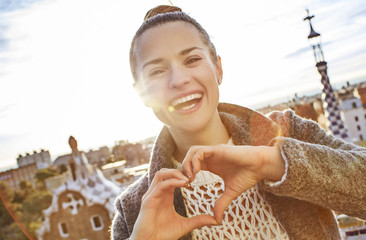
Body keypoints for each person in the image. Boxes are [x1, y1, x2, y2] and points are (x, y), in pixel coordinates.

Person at [111, 5, 366, 240]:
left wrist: (273, 163)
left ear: (218, 69)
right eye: (156, 71)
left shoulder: (287, 132)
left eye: (192, 60)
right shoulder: (134, 211)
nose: (178, 80)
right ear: (141, 94)